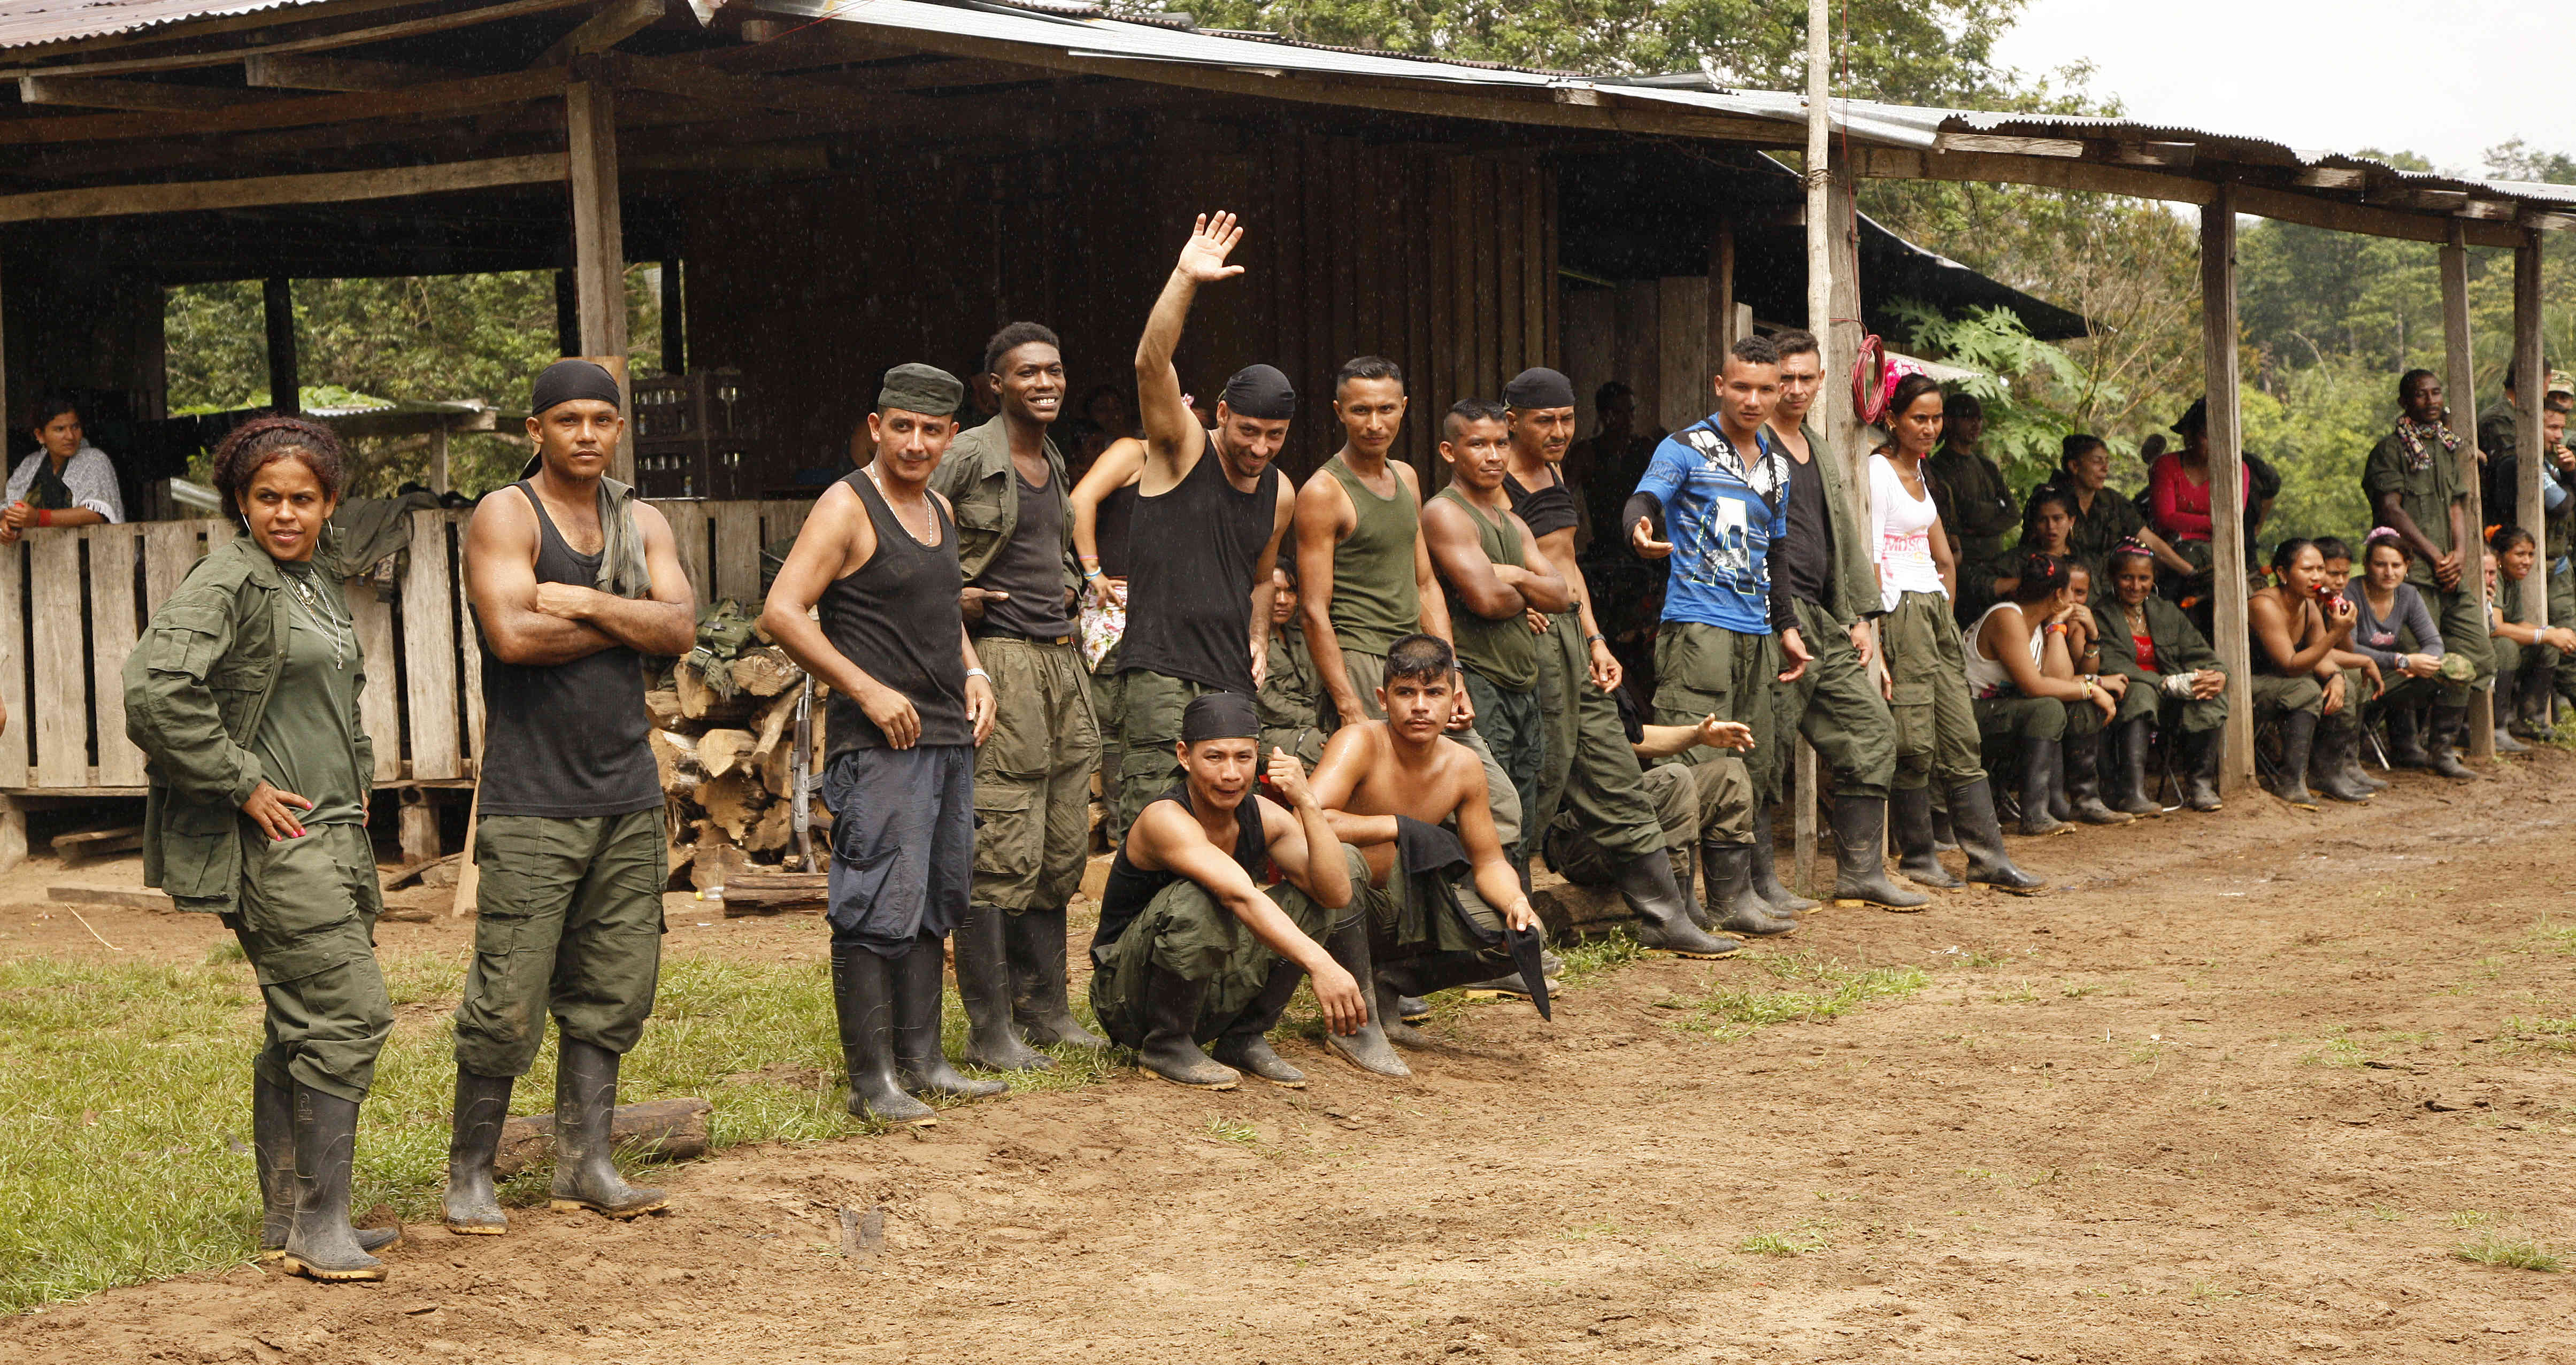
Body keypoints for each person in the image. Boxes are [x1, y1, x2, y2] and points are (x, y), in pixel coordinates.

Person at [126, 417, 395, 1282]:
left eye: (303, 499)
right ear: (240, 503)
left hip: (333, 835)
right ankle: (322, 1223)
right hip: (273, 845)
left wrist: (356, 778)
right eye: (268, 498)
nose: (286, 513)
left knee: (300, 1023)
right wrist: (239, 780)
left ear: (329, 503)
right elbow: (155, 688)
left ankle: (291, 1214)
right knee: (348, 1012)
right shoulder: (229, 579)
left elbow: (331, 693)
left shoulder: (310, 581)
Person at [444, 360, 698, 1235]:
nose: (586, 433)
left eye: (601, 418)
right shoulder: (505, 514)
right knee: (508, 993)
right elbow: (512, 633)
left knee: (614, 986)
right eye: (567, 419)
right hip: (531, 795)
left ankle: (585, 1161)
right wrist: (629, 619)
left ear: (619, 429)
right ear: (535, 431)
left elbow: (681, 627)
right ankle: (469, 1172)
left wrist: (587, 602)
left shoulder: (644, 518)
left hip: (626, 791)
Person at [761, 363, 1005, 1125]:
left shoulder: (938, 506)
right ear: (877, 427)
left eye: (932, 430)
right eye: (901, 426)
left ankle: (924, 1060)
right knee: (874, 907)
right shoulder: (847, 505)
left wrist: (973, 668)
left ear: (951, 437)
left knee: (937, 899)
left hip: (945, 735)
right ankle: (873, 1081)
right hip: (879, 742)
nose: (915, 442)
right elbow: (783, 611)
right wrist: (864, 688)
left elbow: (941, 609)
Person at [1631, 336, 1922, 912]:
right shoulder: (1697, 446)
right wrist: (1638, 525)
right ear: (1720, 385)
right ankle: (1703, 900)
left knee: (1809, 745)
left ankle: (1790, 886)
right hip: (1717, 624)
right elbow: (1648, 496)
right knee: (1720, 758)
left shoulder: (1783, 461)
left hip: (1787, 625)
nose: (1765, 397)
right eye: (1750, 385)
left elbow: (1787, 548)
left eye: (1776, 386)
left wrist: (1819, 620)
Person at [1505, 366, 1737, 953]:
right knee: (1533, 782)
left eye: (1565, 419)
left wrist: (1595, 640)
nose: (1558, 432)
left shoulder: (1553, 470)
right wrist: (1515, 608)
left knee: (1614, 766)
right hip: (1523, 649)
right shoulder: (1492, 480)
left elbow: (1565, 562)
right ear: (1512, 423)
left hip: (1571, 641)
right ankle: (1510, 926)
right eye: (1544, 422)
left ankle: (1666, 918)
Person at [928, 322, 1103, 1072]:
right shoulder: (968, 453)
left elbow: (1049, 548)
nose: (1045, 383)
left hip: (1063, 661)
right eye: (1027, 372)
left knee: (1062, 837)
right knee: (1000, 842)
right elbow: (910, 531)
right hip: (1000, 661)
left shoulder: (1053, 457)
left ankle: (1047, 1010)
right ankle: (989, 1027)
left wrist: (1079, 584)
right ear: (993, 385)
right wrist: (948, 596)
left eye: (1055, 371)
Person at [1290, 359, 1525, 856]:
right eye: (1359, 411)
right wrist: (1350, 704)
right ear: (1338, 412)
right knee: (1369, 798)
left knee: (1494, 797)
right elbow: (1313, 609)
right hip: (1359, 659)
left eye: (1385, 409)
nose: (1374, 424)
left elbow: (1425, 585)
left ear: (1404, 409)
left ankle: (1489, 917)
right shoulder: (1323, 492)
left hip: (1421, 662)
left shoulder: (1407, 477)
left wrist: (1452, 671)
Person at [1111, 212, 1296, 837]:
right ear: (1221, 413)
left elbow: (1263, 575)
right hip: (1161, 670)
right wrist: (1186, 278)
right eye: (1249, 431)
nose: (1260, 448)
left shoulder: (1281, 490)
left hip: (1230, 680)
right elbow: (1149, 362)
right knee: (1156, 825)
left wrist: (1260, 638)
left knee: (1230, 828)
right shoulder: (1183, 449)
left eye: (1275, 437)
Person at [1087, 693, 1364, 1089]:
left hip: (1211, 980)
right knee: (1202, 894)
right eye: (1214, 757)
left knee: (1338, 866)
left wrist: (1305, 801)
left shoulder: (1263, 815)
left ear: (1259, 758)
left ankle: (1244, 1037)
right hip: (1130, 996)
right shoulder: (1165, 818)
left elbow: (1335, 894)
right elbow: (1238, 895)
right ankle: (1166, 1043)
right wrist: (1322, 964)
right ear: (1184, 756)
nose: (1231, 774)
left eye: (1243, 758)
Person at [1308, 634, 1549, 1078]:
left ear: (1454, 699)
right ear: (1383, 698)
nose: (1420, 706)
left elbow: (1490, 861)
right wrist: (1395, 825)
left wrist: (1517, 902)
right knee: (1345, 857)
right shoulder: (1357, 742)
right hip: (1341, 910)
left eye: (1433, 692)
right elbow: (1310, 820)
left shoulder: (1462, 765)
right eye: (1406, 692)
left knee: (1514, 932)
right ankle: (1354, 1026)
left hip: (1410, 904)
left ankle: (1388, 987)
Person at [1756, 328, 1918, 913]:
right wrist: (1776, 620)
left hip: (1823, 617)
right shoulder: (1749, 445)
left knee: (1872, 731)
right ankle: (1758, 885)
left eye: (1805, 378)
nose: (1794, 389)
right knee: (1765, 747)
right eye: (1784, 378)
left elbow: (1840, 533)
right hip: (1771, 619)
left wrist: (1854, 616)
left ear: (1821, 380)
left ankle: (1859, 872)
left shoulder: (1818, 448)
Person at [1866, 375, 2042, 891]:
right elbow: (1874, 556)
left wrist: (1943, 598)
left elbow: (1943, 554)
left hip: (1932, 614)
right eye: (1919, 417)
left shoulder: (1921, 473)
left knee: (1962, 735)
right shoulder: (1878, 470)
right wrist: (1877, 634)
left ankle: (1989, 859)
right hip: (1898, 612)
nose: (1929, 427)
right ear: (1893, 419)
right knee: (1914, 740)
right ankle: (1919, 855)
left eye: (1936, 418)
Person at [1421, 398, 1570, 873]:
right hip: (1479, 680)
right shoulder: (1446, 513)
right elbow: (1484, 600)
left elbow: (1562, 595)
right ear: (1449, 451)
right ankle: (1493, 935)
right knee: (1489, 814)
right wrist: (1525, 588)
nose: (1493, 456)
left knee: (1522, 813)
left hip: (1522, 683)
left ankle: (1521, 931)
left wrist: (1518, 579)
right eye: (1477, 444)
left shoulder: (1514, 522)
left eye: (1501, 443)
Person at [1542, 693, 1769, 926]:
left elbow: (1632, 737)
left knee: (1729, 774)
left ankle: (1730, 908)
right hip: (1576, 840)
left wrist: (1698, 735)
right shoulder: (1563, 678)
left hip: (1625, 825)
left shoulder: (1597, 677)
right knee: (1675, 779)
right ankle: (1675, 917)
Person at [2362, 369, 2492, 768]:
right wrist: (2434, 556)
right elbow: (2390, 508)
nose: (2431, 400)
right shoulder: (2390, 449)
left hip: (2449, 574)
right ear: (2404, 402)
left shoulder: (2446, 446)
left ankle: (2440, 745)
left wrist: (2459, 553)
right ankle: (2403, 742)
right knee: (2416, 659)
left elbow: (2458, 504)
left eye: (2436, 393)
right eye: (2420, 395)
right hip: (2412, 574)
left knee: (2478, 655)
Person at [1965, 553, 2119, 836]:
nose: (2075, 599)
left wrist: (2056, 628)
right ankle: (2034, 814)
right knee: (2047, 708)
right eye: (2071, 591)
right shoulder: (2007, 617)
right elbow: (2035, 687)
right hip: (1968, 713)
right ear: (2059, 594)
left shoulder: (2037, 623)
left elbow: (2056, 680)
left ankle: (2062, 804)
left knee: (2066, 705)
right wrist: (2092, 689)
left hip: (1999, 712)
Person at [2093, 542, 2228, 813]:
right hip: (2128, 699)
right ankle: (2133, 792)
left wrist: (2217, 675)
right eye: (2126, 577)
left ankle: (2200, 785)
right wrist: (2163, 683)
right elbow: (2110, 663)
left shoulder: (2166, 611)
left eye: (2144, 578)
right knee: (2141, 694)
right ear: (2112, 578)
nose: (2135, 585)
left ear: (2153, 579)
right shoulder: (2101, 614)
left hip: (2171, 697)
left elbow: (2199, 652)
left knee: (2207, 694)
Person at [2247, 538, 2368, 807]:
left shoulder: (2308, 604)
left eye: (2320, 569)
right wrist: (2337, 632)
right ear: (2282, 574)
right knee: (2307, 690)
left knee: (2343, 686)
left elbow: (2320, 656)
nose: (2317, 577)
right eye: (2307, 570)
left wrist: (2336, 677)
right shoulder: (2264, 604)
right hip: (2251, 687)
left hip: (2283, 685)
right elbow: (2290, 665)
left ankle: (2327, 774)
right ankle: (2290, 782)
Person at [2345, 530, 2464, 780]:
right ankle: (2348, 762)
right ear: (2367, 564)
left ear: (2407, 566)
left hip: (2395, 675)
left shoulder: (2408, 595)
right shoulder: (2351, 592)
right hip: (2362, 674)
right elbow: (2349, 648)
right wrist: (2402, 660)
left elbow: (2433, 642)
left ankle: (2441, 752)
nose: (2389, 572)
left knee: (2456, 668)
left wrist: (2420, 663)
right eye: (2380, 564)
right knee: (2354, 675)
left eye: (2396, 565)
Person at [1071, 435, 1144, 832]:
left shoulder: (1195, 465)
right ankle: (1123, 832)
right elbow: (1080, 500)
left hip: (1168, 612)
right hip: (1118, 607)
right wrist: (1093, 570)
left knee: (1156, 721)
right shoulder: (1134, 451)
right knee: (1116, 725)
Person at [2046, 435, 2197, 584]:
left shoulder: (2112, 501)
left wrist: (2192, 573)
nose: (2105, 468)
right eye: (2097, 461)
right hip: (2065, 586)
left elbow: (2152, 542)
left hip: (2107, 590)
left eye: (2106, 461)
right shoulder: (2050, 502)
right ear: (2074, 467)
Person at [2144, 399, 2247, 606]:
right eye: (2207, 436)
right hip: (2171, 551)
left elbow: (2234, 521)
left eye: (2223, 437)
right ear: (2189, 436)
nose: (2217, 444)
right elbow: (2165, 518)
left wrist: (2196, 521)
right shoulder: (2166, 465)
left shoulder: (2238, 470)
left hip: (2219, 552)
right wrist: (2215, 522)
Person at [1925, 391, 2016, 623]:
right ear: (1951, 422)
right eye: (1968, 417)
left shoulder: (1988, 466)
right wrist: (1994, 510)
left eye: (1979, 418)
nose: (1976, 424)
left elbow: (2013, 514)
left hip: (1997, 565)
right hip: (1964, 571)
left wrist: (1978, 520)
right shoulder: (1940, 466)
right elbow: (1963, 516)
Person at [2486, 526, 2576, 746]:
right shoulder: (2493, 575)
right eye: (2520, 554)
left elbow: (2517, 622)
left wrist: (2551, 633)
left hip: (2500, 645)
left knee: (2548, 643)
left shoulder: (2512, 578)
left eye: (2531, 554)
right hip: (2485, 650)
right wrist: (2544, 636)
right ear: (2500, 556)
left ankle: (2530, 721)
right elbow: (2496, 628)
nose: (2527, 561)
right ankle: (2497, 727)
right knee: (2507, 646)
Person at [1, 391, 122, 542]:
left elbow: (97, 515)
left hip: (92, 554)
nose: (71, 436)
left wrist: (40, 518)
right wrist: (7, 525)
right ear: (40, 435)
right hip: (41, 556)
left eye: (75, 427)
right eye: (60, 429)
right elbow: (10, 508)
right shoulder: (30, 466)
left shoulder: (94, 459)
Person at [1564, 381, 1660, 553]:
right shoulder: (1587, 453)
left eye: (1631, 411)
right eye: (1618, 413)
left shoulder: (1645, 448)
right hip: (1606, 549)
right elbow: (1562, 496)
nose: (1628, 419)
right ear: (1603, 416)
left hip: (1645, 543)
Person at [1256, 562, 1325, 766]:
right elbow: (1267, 704)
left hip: (1309, 724)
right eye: (1275, 592)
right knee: (1330, 751)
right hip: (1270, 730)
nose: (1283, 600)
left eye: (1290, 591)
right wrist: (1317, 722)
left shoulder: (1300, 635)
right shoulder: (1252, 641)